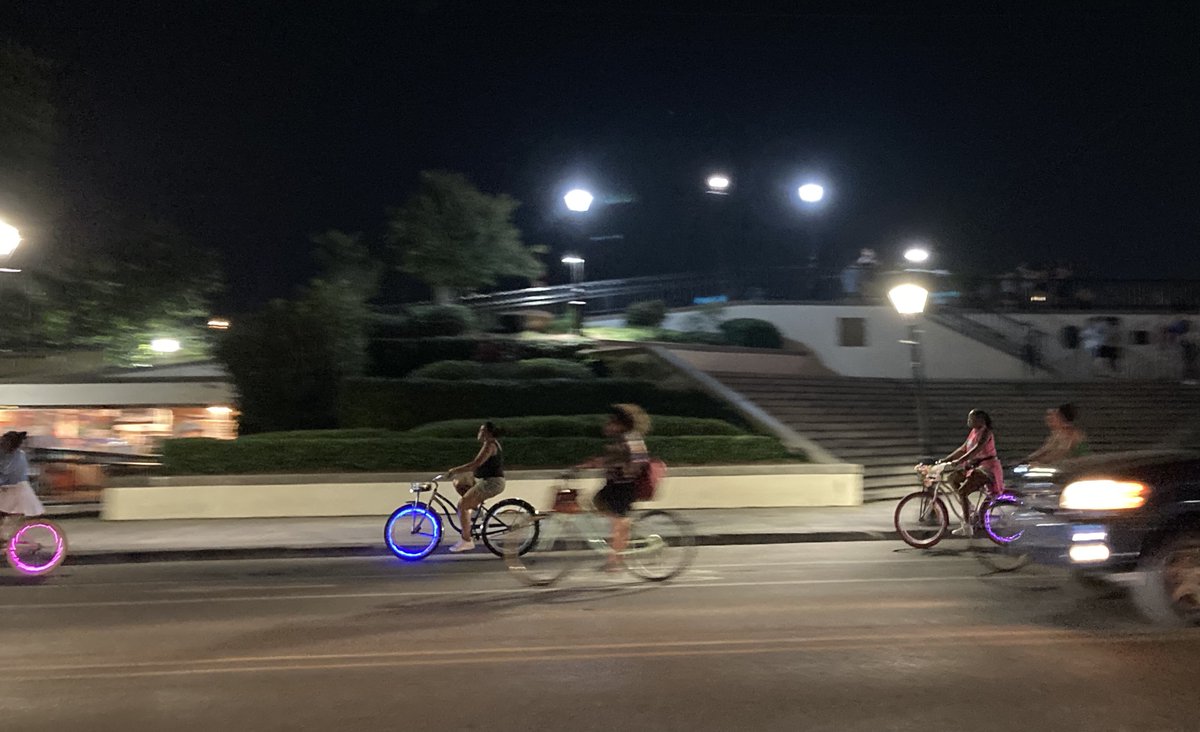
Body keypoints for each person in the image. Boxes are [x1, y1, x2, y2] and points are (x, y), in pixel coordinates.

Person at [580, 404, 650, 571]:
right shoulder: (623, 438)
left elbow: (636, 461)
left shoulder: (630, 438)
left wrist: (619, 467)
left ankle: (615, 560)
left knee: (618, 522)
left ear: (620, 423)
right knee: (599, 505)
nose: (608, 424)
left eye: (612, 421)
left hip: (623, 487)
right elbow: (613, 457)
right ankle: (621, 541)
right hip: (614, 486)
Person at [936, 410, 1003, 537]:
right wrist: (946, 460)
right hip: (975, 467)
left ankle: (967, 527)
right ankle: (969, 507)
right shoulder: (973, 432)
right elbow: (963, 449)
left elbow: (977, 448)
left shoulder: (986, 432)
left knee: (962, 491)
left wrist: (959, 461)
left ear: (981, 420)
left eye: (971, 418)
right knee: (952, 478)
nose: (968, 420)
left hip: (987, 468)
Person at [445, 422, 505, 553]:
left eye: (482, 430)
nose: (479, 433)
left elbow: (475, 464)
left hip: (492, 483)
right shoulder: (489, 443)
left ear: (488, 433)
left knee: (462, 506)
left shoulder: (490, 445)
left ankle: (466, 541)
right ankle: (475, 509)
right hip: (483, 479)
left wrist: (454, 470)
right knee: (459, 482)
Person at [0, 431, 45, 541]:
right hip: (10, 491)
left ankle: (6, 540)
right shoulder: (9, 454)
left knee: (4, 514)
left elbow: (7, 475)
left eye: (4, 442)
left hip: (17, 493)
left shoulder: (18, 457)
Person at [1024, 404, 1090, 466]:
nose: (1048, 418)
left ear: (1061, 418)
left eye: (1052, 416)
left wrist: (1041, 462)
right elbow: (1044, 450)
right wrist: (1026, 460)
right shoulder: (1057, 434)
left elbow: (1061, 452)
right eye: (1048, 415)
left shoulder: (1069, 434)